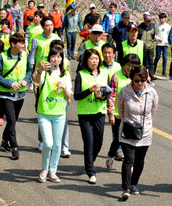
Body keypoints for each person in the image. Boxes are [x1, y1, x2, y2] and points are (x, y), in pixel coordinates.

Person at [117, 65, 159, 200]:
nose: (140, 84)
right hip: (127, 131)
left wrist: (144, 123)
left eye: (143, 80)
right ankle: (126, 188)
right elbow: (120, 109)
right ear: (131, 79)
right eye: (136, 80)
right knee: (129, 159)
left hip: (145, 131)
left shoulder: (152, 93)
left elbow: (153, 111)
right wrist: (129, 121)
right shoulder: (124, 91)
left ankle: (134, 183)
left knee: (140, 160)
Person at [34, 46, 72, 183]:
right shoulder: (45, 72)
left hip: (60, 113)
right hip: (44, 112)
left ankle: (53, 171)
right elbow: (37, 82)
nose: (56, 59)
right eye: (53, 56)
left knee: (57, 145)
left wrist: (65, 88)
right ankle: (44, 168)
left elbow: (69, 96)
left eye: (59, 56)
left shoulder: (65, 75)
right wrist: (40, 71)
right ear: (49, 58)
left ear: (62, 59)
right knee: (48, 143)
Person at [0, 33, 33, 161]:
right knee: (11, 120)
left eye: (23, 43)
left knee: (13, 120)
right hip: (6, 95)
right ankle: (14, 148)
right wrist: (10, 84)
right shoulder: (2, 57)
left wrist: (26, 80)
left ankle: (4, 141)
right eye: (20, 43)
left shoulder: (25, 56)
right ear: (13, 44)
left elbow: (29, 70)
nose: (23, 45)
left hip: (20, 94)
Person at [74, 48, 110, 184]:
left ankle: (90, 162)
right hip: (85, 113)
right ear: (86, 60)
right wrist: (89, 90)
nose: (94, 61)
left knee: (99, 142)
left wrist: (103, 96)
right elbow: (76, 96)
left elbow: (108, 93)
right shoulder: (81, 74)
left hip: (99, 112)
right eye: (91, 59)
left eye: (96, 59)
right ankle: (91, 172)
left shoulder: (104, 73)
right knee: (88, 143)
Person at [107, 53, 140, 169]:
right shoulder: (116, 76)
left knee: (131, 141)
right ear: (124, 64)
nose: (130, 68)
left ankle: (130, 164)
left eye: (133, 65)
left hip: (132, 116)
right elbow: (112, 96)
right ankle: (111, 154)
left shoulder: (138, 78)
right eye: (128, 65)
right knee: (118, 139)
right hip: (118, 115)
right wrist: (110, 113)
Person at [137, 12, 156, 79]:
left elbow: (153, 36)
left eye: (149, 21)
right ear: (144, 20)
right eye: (147, 20)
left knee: (151, 60)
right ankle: (143, 73)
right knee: (143, 61)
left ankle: (151, 74)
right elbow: (138, 37)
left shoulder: (153, 27)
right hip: (142, 47)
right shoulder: (140, 27)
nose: (148, 22)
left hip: (150, 46)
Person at [154, 12, 170, 77]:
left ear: (165, 18)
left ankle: (164, 71)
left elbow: (169, 35)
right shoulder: (157, 26)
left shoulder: (168, 26)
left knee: (165, 57)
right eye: (160, 18)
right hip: (158, 44)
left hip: (165, 44)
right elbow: (154, 35)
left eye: (163, 18)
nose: (161, 19)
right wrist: (158, 39)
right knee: (157, 57)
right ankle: (153, 69)